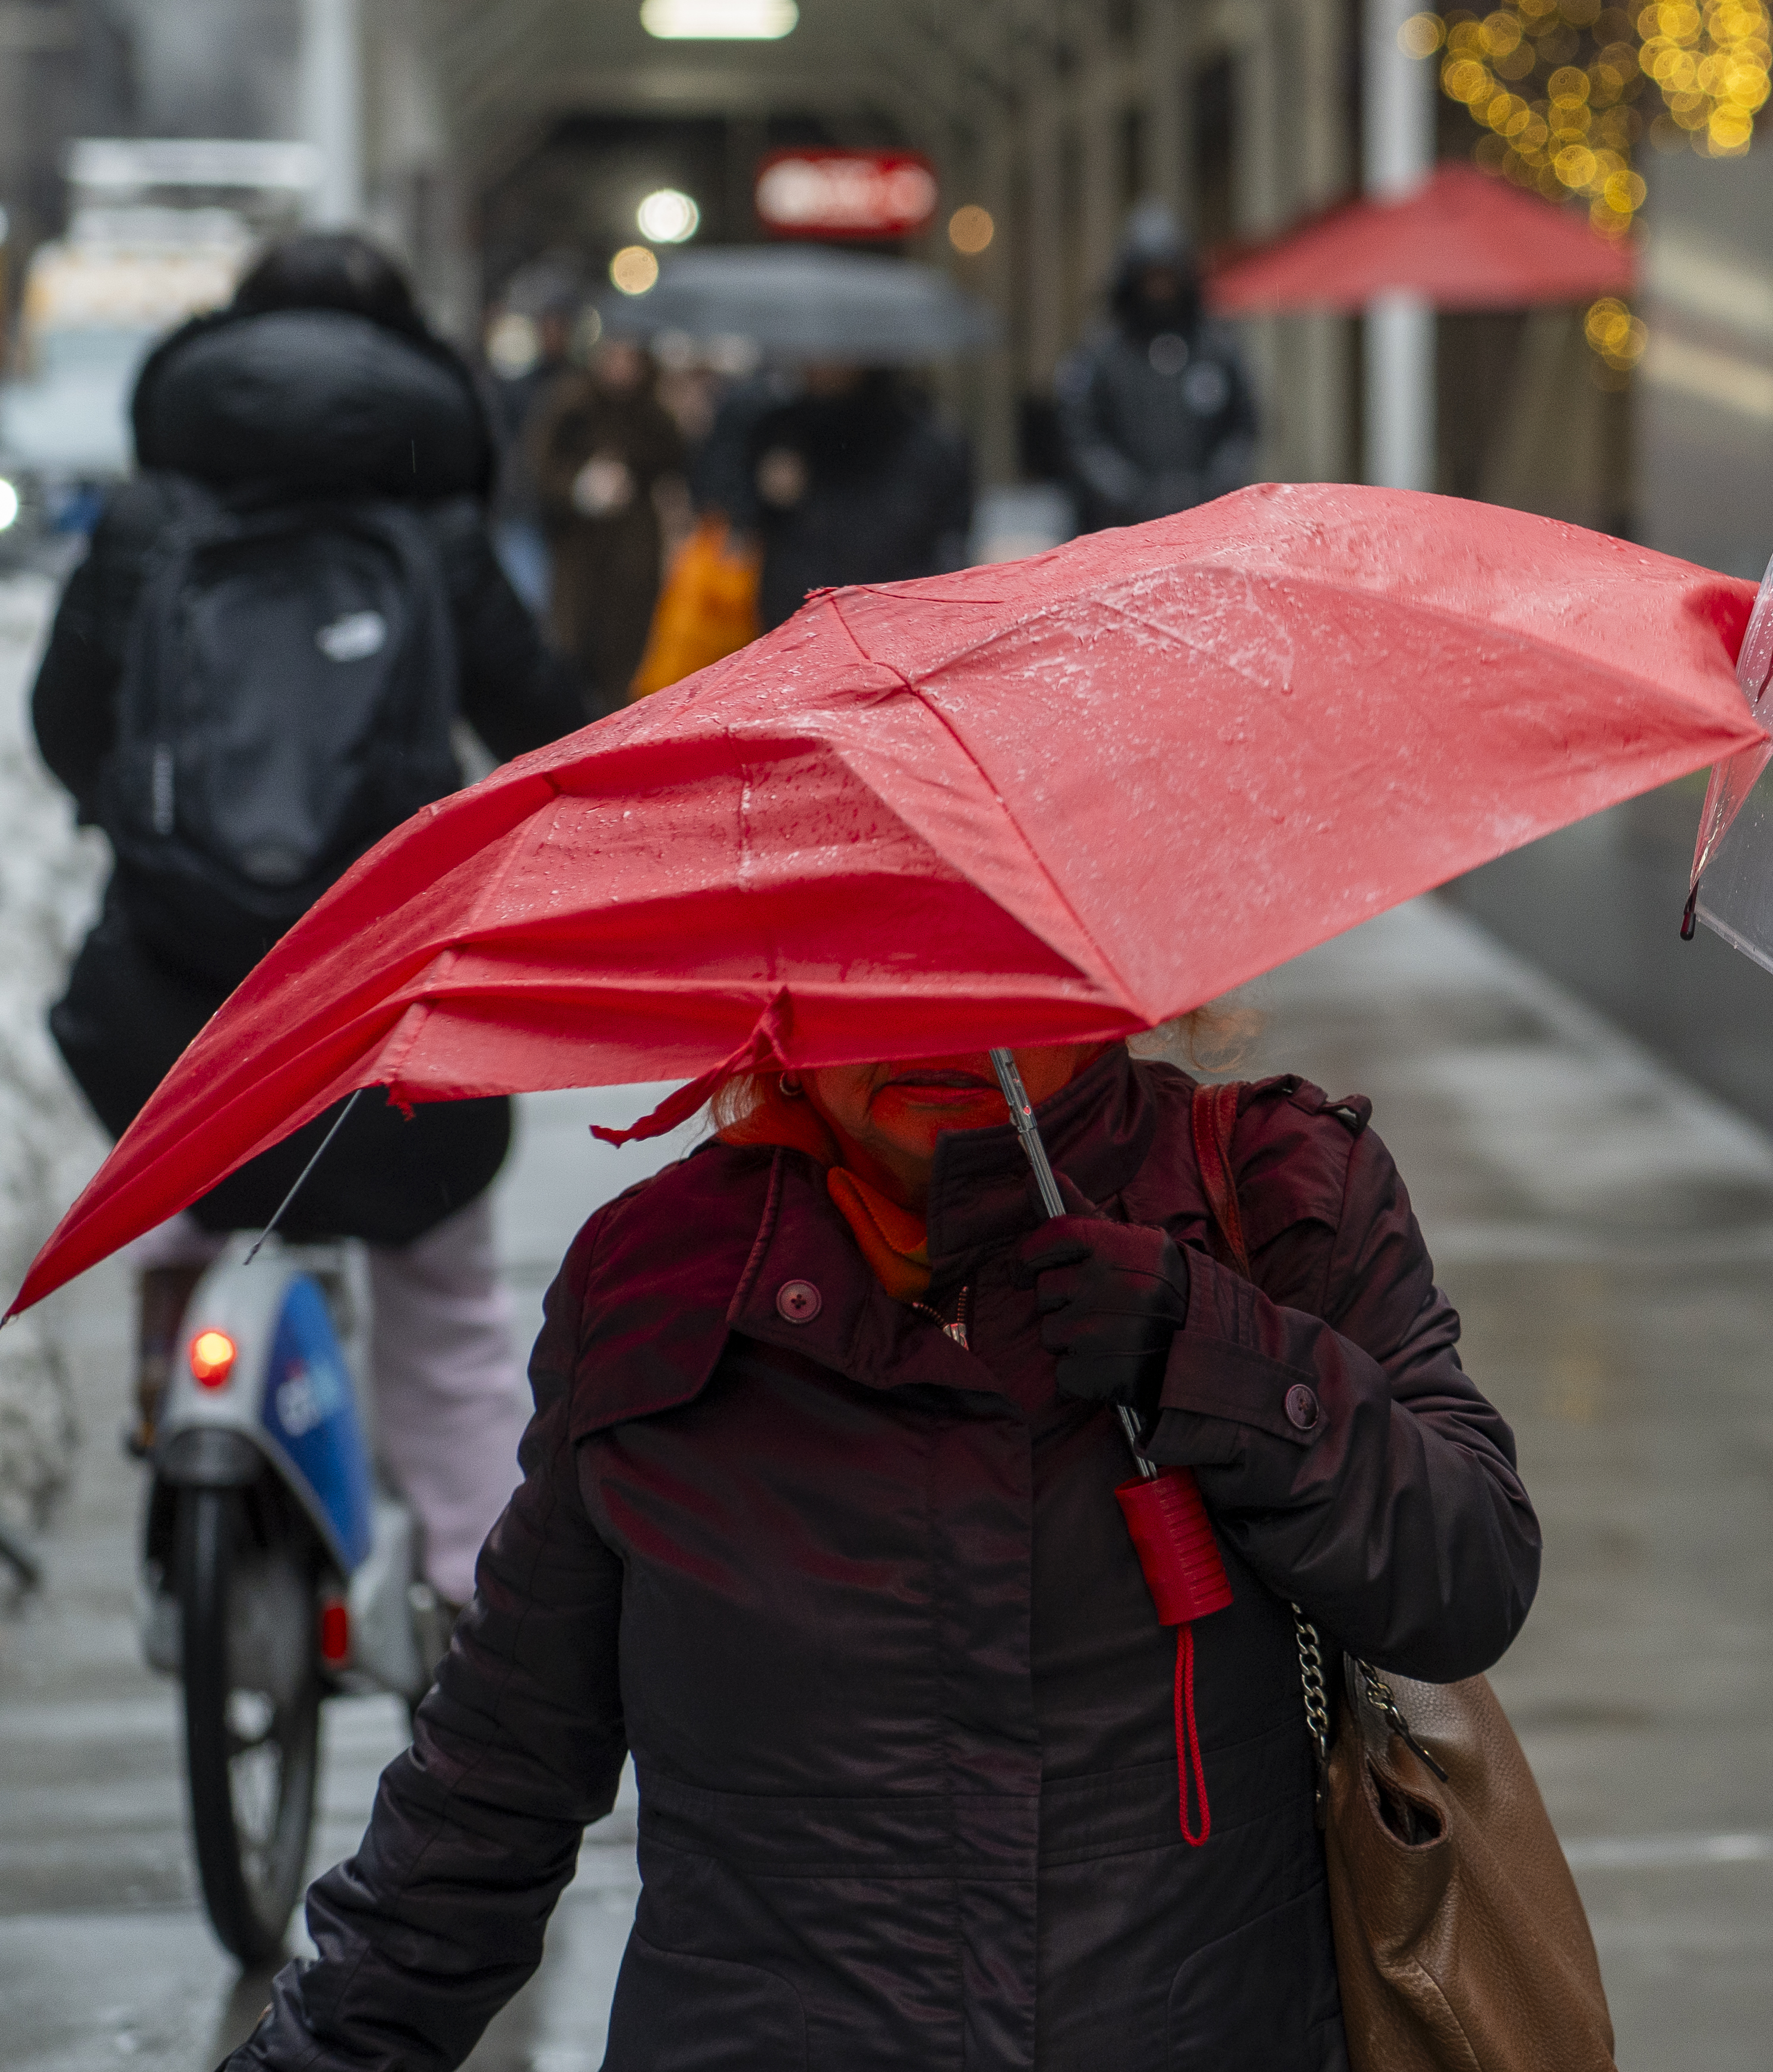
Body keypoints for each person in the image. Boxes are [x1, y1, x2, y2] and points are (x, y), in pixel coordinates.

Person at [227, 1035, 1541, 2067]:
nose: (942, 1016)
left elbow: (1462, 1574)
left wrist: (1213, 1349)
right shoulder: (659, 1284)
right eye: (873, 952)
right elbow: (495, 1785)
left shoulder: (1268, 1195)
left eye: (993, 948)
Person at [31, 230, 594, 1609]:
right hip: (385, 978)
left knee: (186, 1170)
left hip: (180, 988)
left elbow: (63, 724)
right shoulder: (438, 528)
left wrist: (151, 832)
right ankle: (476, 1596)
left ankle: (179, 1379)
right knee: (445, 1304)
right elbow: (543, 728)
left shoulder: (157, 511)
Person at [1053, 203, 1261, 535]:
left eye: (1167, 277)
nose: (1159, 289)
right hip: (1123, 528)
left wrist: (1211, 488)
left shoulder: (1217, 348)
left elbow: (1245, 426)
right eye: (1150, 278)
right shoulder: (1101, 355)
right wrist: (1130, 493)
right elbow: (1081, 436)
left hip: (1206, 524)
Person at [523, 329, 691, 709]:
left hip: (632, 560)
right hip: (579, 556)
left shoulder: (652, 413)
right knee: (570, 652)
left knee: (624, 663)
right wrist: (580, 487)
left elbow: (674, 460)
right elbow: (539, 470)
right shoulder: (571, 406)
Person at [744, 360, 974, 630]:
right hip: (799, 623)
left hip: (895, 619)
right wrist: (770, 496)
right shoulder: (779, 432)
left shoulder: (924, 442)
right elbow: (751, 525)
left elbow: (948, 537)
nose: (820, 363)